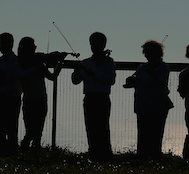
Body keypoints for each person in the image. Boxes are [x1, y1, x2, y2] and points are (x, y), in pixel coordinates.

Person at [71, 32, 116, 162]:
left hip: (102, 98)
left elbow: (110, 80)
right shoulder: (86, 62)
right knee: (91, 128)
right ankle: (95, 155)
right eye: (92, 44)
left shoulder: (109, 62)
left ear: (103, 45)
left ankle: (105, 157)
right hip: (90, 98)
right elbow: (75, 80)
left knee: (102, 128)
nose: (94, 46)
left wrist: (93, 74)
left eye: (97, 44)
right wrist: (77, 70)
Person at [124, 40, 172, 158]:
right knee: (143, 135)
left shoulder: (163, 67)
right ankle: (144, 158)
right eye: (146, 52)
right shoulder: (142, 68)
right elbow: (134, 81)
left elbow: (161, 84)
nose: (146, 54)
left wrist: (152, 73)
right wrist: (131, 81)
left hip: (157, 106)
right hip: (143, 106)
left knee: (155, 136)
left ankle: (153, 158)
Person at [17, 36, 62, 152]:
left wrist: (59, 65)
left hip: (40, 100)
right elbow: (21, 76)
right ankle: (27, 150)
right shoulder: (22, 64)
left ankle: (31, 151)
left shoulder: (39, 65)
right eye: (33, 47)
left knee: (37, 132)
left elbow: (52, 76)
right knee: (31, 131)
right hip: (31, 100)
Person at [0, 32, 22, 155]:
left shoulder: (17, 62)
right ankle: (1, 152)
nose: (1, 46)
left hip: (12, 99)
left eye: (3, 43)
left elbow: (16, 82)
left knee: (11, 130)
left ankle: (11, 153)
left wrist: (1, 90)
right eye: (0, 44)